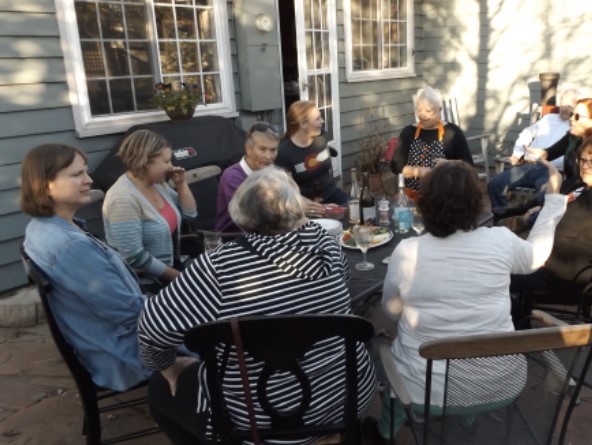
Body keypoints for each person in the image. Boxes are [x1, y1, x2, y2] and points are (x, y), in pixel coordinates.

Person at [139, 168, 376, 444]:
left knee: (159, 388)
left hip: (258, 421)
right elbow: (341, 283)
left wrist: (170, 369)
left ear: (242, 215)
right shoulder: (328, 247)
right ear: (296, 208)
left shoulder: (217, 268)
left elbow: (151, 330)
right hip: (348, 401)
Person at [365, 160, 567, 442]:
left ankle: (384, 433)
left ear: (425, 205)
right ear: (475, 203)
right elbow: (538, 254)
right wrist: (553, 200)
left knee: (395, 357)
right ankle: (466, 422)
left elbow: (391, 311)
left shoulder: (407, 251)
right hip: (498, 383)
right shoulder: (502, 241)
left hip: (424, 388)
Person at [20, 144, 150, 392]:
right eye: (76, 174)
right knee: (220, 331)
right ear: (45, 185)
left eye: (86, 171)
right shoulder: (70, 246)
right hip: (125, 355)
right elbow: (128, 311)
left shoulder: (40, 227)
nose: (88, 180)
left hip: (105, 340)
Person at [510, 134, 592, 296]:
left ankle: (509, 311)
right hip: (564, 267)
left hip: (565, 276)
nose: (585, 166)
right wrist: (545, 206)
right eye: (582, 159)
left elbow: (553, 231)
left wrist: (553, 195)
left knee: (496, 269)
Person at [103, 129, 197, 284]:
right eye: (166, 161)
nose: (171, 166)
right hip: (146, 281)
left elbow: (190, 214)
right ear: (145, 162)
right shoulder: (123, 199)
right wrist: (180, 278)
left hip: (173, 266)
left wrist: (181, 184)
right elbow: (133, 256)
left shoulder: (157, 185)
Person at [487, 89, 580, 208]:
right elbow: (526, 134)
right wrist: (516, 154)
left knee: (545, 196)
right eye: (562, 104)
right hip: (528, 167)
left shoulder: (575, 128)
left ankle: (533, 218)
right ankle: (500, 216)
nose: (564, 109)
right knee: (494, 184)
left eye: (569, 106)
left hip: (552, 172)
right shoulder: (548, 119)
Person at [390, 86, 474, 194]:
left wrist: (449, 164)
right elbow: (396, 166)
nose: (422, 115)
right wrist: (418, 172)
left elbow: (468, 164)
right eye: (419, 110)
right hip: (414, 194)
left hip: (446, 194)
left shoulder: (452, 132)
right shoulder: (408, 132)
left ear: (439, 110)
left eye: (428, 111)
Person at [275, 100, 346, 215]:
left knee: (354, 213)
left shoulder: (321, 139)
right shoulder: (283, 152)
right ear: (303, 124)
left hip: (332, 195)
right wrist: (322, 208)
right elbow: (289, 191)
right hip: (305, 206)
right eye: (317, 119)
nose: (322, 121)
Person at [215, 122, 278, 232]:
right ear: (248, 149)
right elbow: (251, 217)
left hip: (267, 230)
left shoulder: (272, 171)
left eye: (273, 150)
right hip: (234, 236)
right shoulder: (232, 177)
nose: (268, 156)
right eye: (262, 149)